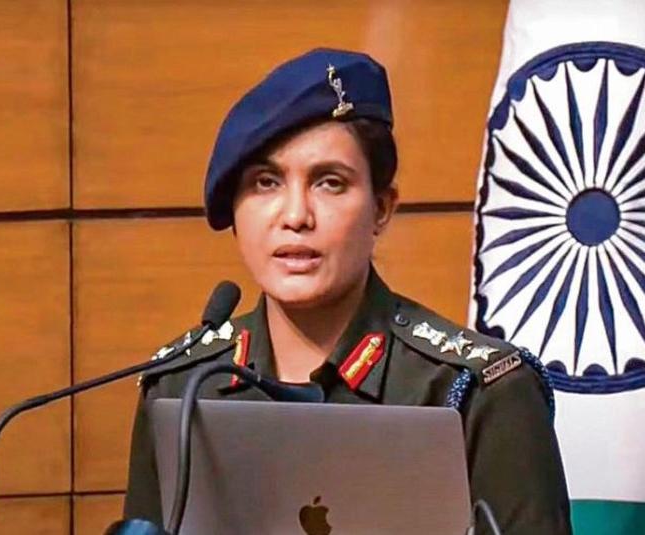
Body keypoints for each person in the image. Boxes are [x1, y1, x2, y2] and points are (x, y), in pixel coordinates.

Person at [124, 48, 572, 534]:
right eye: (266, 182)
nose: (295, 216)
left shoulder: (478, 391)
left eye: (329, 183)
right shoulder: (180, 385)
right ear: (234, 208)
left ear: (381, 208)